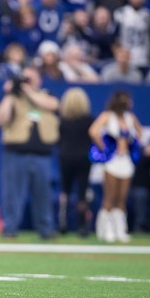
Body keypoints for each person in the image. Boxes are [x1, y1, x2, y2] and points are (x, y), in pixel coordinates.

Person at [0, 66, 59, 239]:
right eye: (24, 79)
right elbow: (0, 119)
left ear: (39, 79)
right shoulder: (13, 98)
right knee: (12, 194)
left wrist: (28, 90)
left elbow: (52, 105)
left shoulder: (46, 95)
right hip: (15, 153)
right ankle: (10, 228)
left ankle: (46, 229)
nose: (26, 82)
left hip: (42, 155)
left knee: (43, 195)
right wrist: (9, 94)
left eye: (30, 78)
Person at [89, 90, 142, 243]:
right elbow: (93, 131)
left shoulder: (130, 118)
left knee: (122, 198)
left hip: (125, 161)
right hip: (112, 161)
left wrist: (132, 145)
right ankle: (105, 229)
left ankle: (120, 229)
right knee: (109, 197)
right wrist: (105, 147)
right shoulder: (107, 116)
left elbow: (139, 134)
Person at [57, 87, 93, 236]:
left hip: (65, 157)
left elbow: (57, 140)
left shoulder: (62, 121)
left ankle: (62, 222)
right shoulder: (89, 120)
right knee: (82, 192)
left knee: (65, 190)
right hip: (83, 158)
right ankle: (81, 226)